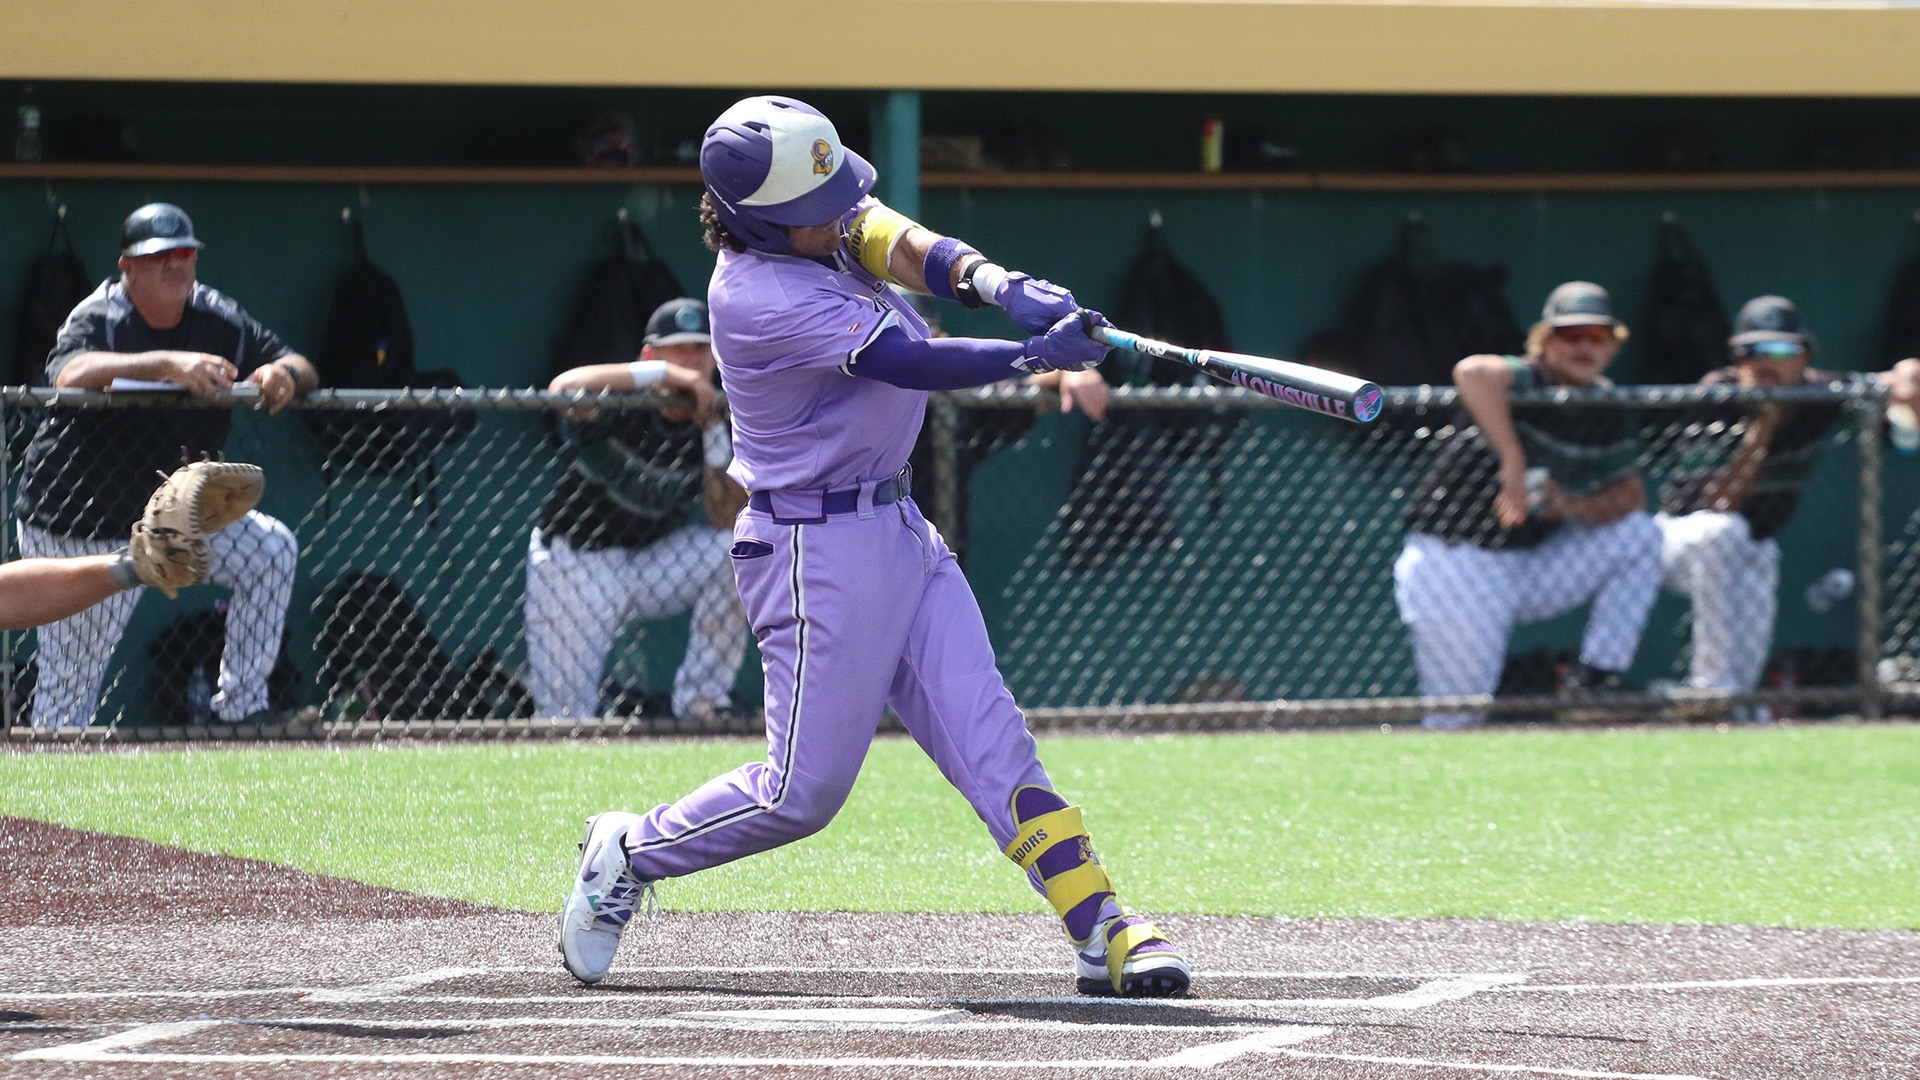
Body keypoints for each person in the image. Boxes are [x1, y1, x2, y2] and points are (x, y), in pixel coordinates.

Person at [560, 95, 1189, 999]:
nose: (840, 215)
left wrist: (998, 284)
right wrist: (1032, 354)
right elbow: (909, 360)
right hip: (813, 552)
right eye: (817, 210)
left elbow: (891, 236)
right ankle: (631, 849)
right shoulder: (757, 295)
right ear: (759, 223)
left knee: (994, 741)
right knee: (798, 797)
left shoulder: (814, 223)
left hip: (896, 528)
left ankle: (1103, 926)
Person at [13, 203, 317, 731]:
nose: (174, 265)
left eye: (184, 253)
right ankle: (41, 806)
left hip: (169, 517)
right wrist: (166, 363)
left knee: (269, 553)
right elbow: (68, 373)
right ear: (128, 267)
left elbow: (299, 363)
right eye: (157, 257)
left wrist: (282, 375)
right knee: (71, 686)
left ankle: (241, 713)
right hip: (80, 522)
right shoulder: (101, 315)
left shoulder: (217, 315)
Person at [1395, 281, 1662, 730]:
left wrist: (1569, 505)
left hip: (1533, 565)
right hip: (1457, 561)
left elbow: (1632, 497)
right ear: (1545, 342)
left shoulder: (1603, 403)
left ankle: (1595, 679)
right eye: (1570, 335)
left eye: (1595, 337)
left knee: (1640, 535)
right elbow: (1473, 373)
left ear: (1612, 345)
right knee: (1457, 721)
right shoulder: (1530, 377)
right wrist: (1512, 460)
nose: (1583, 347)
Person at [1656, 295, 1920, 719]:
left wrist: (1907, 377)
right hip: (1678, 542)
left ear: (1804, 357)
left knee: (1759, 554)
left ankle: (1734, 707)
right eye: (1752, 351)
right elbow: (1718, 503)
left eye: (1780, 351)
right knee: (1723, 532)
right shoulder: (1718, 395)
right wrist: (1763, 428)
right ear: (1736, 358)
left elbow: (1894, 379)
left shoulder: (1818, 395)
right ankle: (1711, 689)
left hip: (1752, 545)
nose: (1765, 364)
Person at [525, 297, 751, 726]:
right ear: (650, 355)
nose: (693, 360)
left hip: (651, 562)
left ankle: (703, 703)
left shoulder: (719, 420)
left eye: (702, 349)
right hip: (576, 562)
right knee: (565, 720)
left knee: (740, 550)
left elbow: (726, 520)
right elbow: (562, 391)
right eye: (679, 349)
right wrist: (663, 376)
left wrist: (712, 432)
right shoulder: (621, 403)